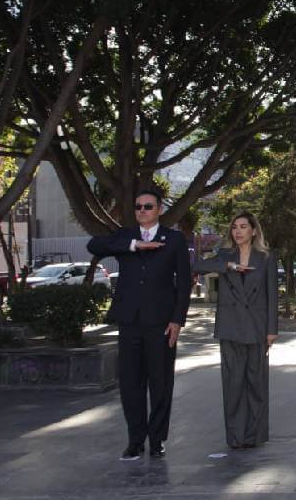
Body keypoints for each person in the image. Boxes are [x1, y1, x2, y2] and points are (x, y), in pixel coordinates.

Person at [87, 189, 192, 460]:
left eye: (148, 206)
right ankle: (135, 440)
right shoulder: (125, 236)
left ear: (159, 209)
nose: (142, 211)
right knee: (131, 384)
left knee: (160, 383)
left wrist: (177, 320)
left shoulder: (175, 239)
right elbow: (95, 245)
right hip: (130, 321)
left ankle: (157, 439)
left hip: (161, 323)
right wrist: (134, 246)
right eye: (138, 207)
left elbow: (183, 283)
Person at [192, 213, 278, 449]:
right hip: (230, 327)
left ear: (254, 230)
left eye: (243, 227)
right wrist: (228, 266)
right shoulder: (225, 255)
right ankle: (235, 437)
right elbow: (197, 265)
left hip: (258, 328)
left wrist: (272, 330)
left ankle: (254, 436)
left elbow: (272, 295)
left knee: (256, 383)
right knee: (233, 384)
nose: (238, 231)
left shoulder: (266, 257)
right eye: (234, 227)